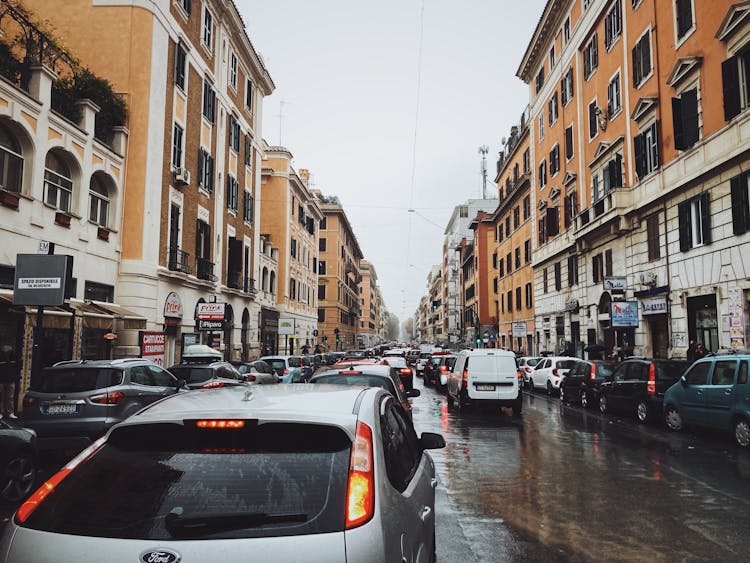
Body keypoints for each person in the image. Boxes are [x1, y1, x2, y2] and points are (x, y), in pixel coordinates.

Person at [0, 344, 19, 419]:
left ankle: (10, 412)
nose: (6, 348)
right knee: (1, 397)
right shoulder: (0, 356)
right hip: (1, 380)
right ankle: (1, 412)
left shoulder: (13, 356)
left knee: (10, 397)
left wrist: (15, 377)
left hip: (11, 380)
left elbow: (17, 368)